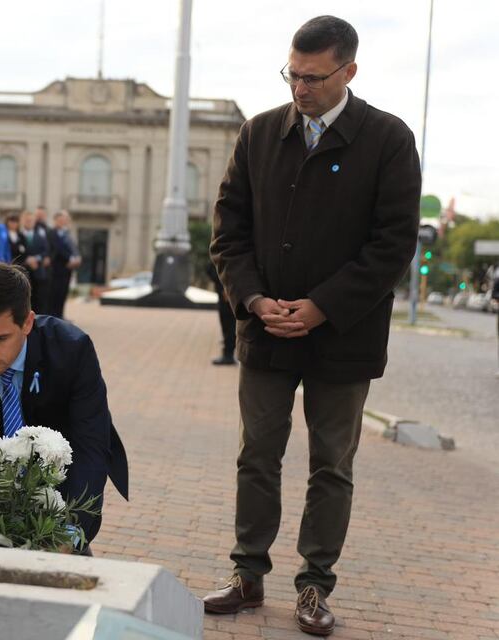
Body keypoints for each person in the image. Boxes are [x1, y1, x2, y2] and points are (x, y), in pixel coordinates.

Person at [207, 16, 420, 636]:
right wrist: (251, 298)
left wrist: (323, 305)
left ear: (348, 71)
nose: (300, 88)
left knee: (331, 464)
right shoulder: (259, 132)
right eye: (292, 75)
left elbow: (393, 245)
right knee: (257, 456)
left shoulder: (388, 138)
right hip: (266, 330)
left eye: (313, 78)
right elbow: (229, 231)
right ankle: (247, 575)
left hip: (344, 337)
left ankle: (313, 586)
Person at [0, 263, 128, 549]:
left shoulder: (72, 350)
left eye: (0, 339)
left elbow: (90, 447)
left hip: (62, 478)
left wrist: (70, 532)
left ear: (27, 323)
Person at [47, 210, 81, 319]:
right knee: (54, 294)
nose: (63, 222)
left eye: (65, 220)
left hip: (67, 269)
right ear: (55, 220)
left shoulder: (67, 233)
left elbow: (73, 248)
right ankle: (54, 317)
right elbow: (58, 249)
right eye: (60, 220)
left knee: (63, 293)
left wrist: (77, 257)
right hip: (57, 269)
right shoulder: (51, 233)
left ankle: (60, 316)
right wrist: (70, 259)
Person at [206, 259, 236, 365]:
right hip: (224, 289)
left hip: (227, 291)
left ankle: (228, 355)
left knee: (229, 323)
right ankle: (228, 352)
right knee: (227, 323)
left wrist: (227, 288)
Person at [20, 209, 51, 314]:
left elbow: (46, 252)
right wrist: (27, 260)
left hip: (38, 273)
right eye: (27, 220)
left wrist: (36, 259)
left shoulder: (40, 237)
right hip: (23, 273)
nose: (29, 222)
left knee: (39, 301)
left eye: (31, 220)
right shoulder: (18, 236)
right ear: (22, 221)